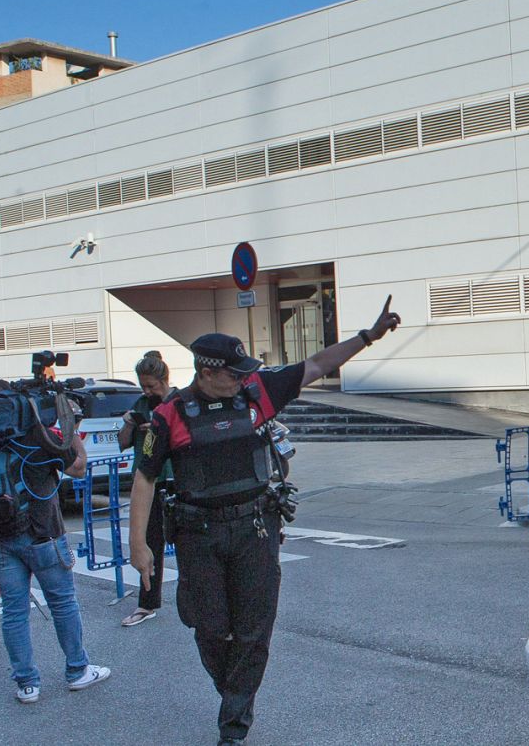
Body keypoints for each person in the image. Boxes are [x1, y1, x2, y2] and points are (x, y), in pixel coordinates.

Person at [128, 300, 400, 746]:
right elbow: (145, 476)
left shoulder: (256, 391)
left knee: (254, 629)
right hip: (198, 536)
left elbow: (314, 364)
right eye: (232, 373)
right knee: (210, 628)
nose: (240, 378)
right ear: (206, 371)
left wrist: (367, 337)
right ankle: (235, 693)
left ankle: (233, 725)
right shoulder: (169, 415)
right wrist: (139, 545)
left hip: (255, 529)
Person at [0, 379, 111, 704]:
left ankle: (27, 684)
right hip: (45, 537)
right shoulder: (39, 438)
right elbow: (80, 470)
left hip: (0, 542)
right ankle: (77, 671)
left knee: (14, 613)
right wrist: (72, 431)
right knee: (63, 604)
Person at [118, 351, 176, 627]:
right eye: (143, 385)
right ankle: (147, 603)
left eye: (151, 386)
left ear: (164, 379)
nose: (147, 391)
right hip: (146, 481)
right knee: (150, 543)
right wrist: (131, 422)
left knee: (189, 541)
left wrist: (157, 424)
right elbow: (122, 442)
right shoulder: (141, 403)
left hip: (175, 478)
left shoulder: (178, 402)